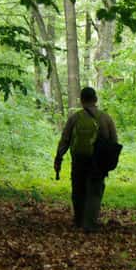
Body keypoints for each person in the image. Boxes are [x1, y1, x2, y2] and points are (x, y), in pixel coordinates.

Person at [54, 86, 119, 233]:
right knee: (95, 191)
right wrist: (110, 162)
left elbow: (65, 139)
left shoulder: (75, 118)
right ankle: (90, 224)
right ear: (95, 100)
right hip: (98, 160)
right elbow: (114, 141)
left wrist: (59, 156)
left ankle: (78, 220)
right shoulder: (105, 118)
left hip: (79, 159)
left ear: (82, 101)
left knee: (78, 189)